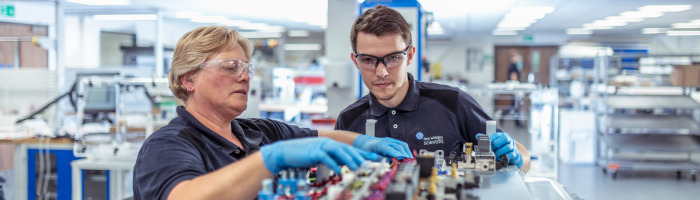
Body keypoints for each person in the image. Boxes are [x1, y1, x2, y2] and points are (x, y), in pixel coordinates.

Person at [133, 26, 413, 200]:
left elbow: (322, 136)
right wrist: (270, 160)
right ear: (188, 79)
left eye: (247, 69)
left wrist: (366, 142)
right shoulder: (168, 144)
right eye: (231, 67)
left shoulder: (258, 132)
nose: (244, 77)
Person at [335, 5, 530, 172]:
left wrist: (516, 158)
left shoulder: (452, 102)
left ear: (410, 56)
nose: (381, 72)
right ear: (355, 61)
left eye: (393, 58)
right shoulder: (348, 120)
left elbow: (523, 156)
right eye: (368, 60)